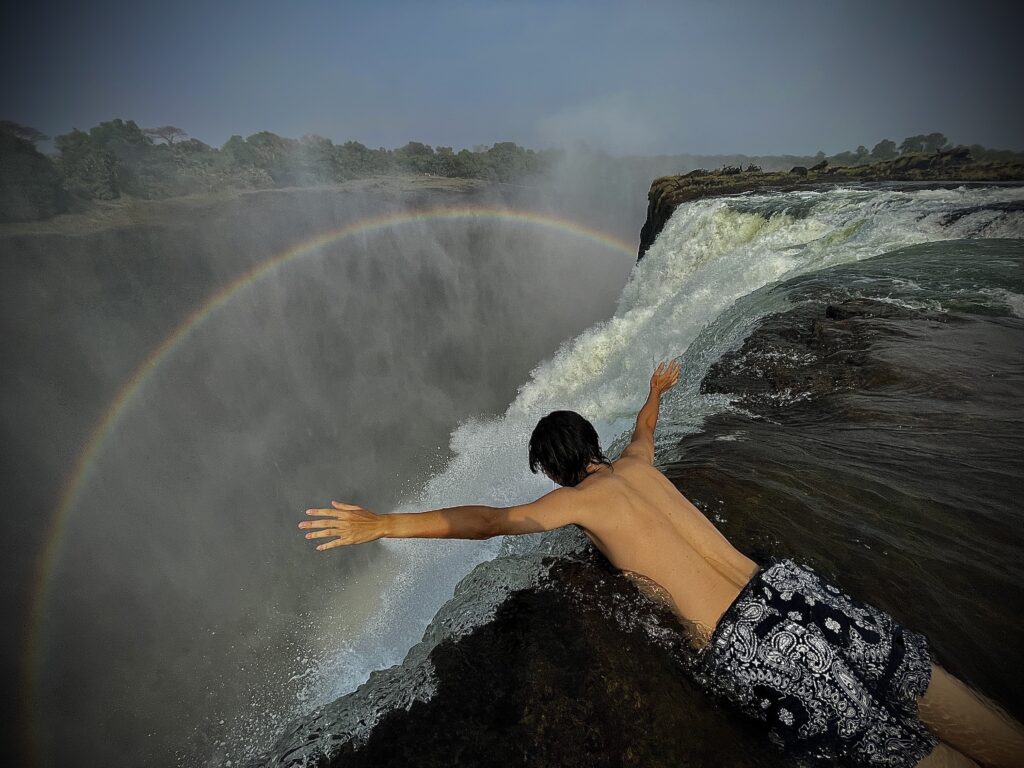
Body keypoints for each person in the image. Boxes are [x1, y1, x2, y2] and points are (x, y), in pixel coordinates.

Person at [299, 360, 1024, 768]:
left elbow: (489, 523)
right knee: (919, 681)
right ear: (593, 447)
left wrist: (382, 524)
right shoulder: (640, 465)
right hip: (793, 592)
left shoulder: (576, 504)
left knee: (891, 753)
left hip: (753, 642)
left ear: (554, 474)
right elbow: (646, 432)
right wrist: (655, 393)